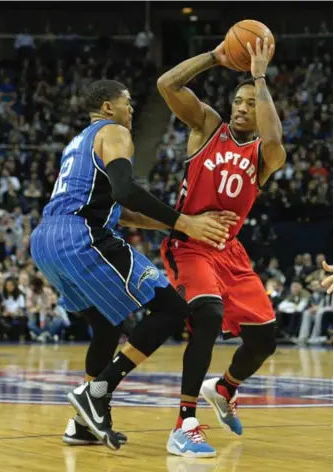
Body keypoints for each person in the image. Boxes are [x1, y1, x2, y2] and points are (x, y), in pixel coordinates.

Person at [30, 79, 235, 453]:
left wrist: (172, 223)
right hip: (81, 236)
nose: (131, 110)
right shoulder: (114, 132)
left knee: (107, 327)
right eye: (127, 103)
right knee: (173, 309)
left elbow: (118, 209)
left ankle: (81, 425)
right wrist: (184, 222)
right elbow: (125, 191)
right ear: (108, 107)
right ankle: (98, 391)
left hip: (46, 240)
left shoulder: (78, 143)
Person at [157, 37, 286, 456]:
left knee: (266, 339)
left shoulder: (265, 155)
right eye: (239, 100)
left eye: (253, 102)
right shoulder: (207, 127)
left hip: (229, 251)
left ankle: (225, 388)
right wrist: (215, 57)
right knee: (208, 315)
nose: (244, 107)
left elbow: (274, 138)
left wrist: (259, 77)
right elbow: (167, 85)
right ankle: (184, 422)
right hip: (190, 244)